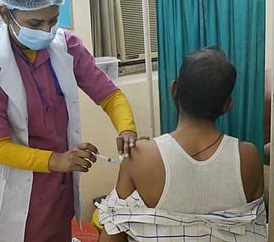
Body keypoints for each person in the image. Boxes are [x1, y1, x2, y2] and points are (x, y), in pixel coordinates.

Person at [0, 0, 138, 242]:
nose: (46, 30)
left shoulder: (68, 47)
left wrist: (126, 127)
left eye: (53, 20)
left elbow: (109, 94)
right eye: (35, 23)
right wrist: (58, 160)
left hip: (56, 184)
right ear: (6, 14)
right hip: (11, 185)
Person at [97, 46, 267, 242]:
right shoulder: (248, 157)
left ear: (174, 90)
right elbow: (256, 228)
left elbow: (112, 232)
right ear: (227, 105)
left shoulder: (141, 157)